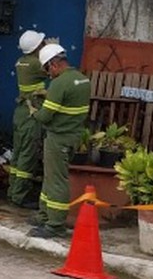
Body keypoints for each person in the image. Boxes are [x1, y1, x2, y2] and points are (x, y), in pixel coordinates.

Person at [28, 43, 91, 238]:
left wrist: (34, 112)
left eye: (47, 69)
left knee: (56, 181)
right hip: (73, 135)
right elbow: (68, 102)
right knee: (50, 177)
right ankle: (45, 215)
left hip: (58, 137)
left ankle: (55, 225)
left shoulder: (59, 83)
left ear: (54, 64)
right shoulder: (82, 79)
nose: (48, 74)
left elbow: (46, 116)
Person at [7, 30, 46, 209]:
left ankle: (13, 191)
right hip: (32, 112)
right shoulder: (35, 64)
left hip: (21, 111)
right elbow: (56, 70)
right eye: (42, 43)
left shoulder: (20, 62)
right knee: (28, 153)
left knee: (18, 151)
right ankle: (20, 196)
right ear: (37, 46)